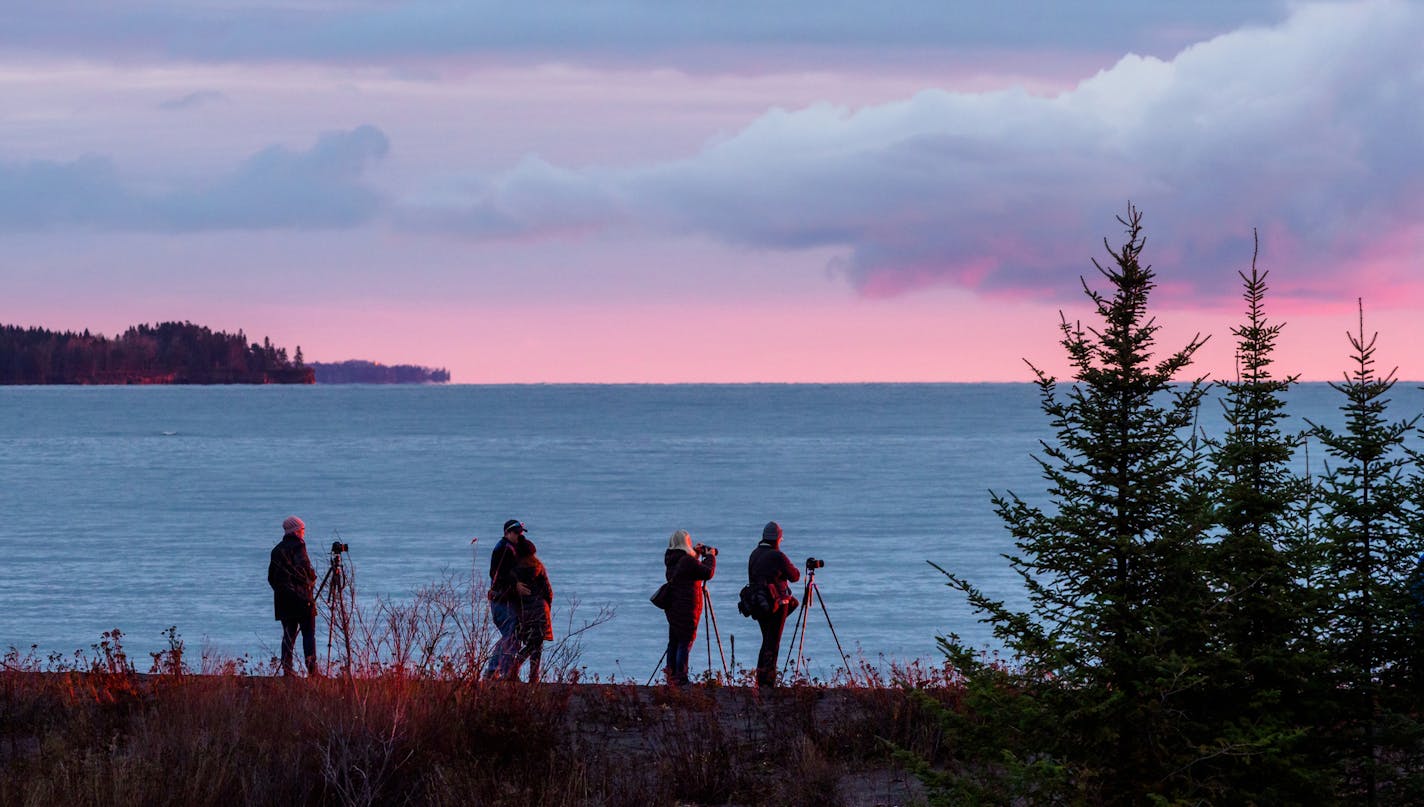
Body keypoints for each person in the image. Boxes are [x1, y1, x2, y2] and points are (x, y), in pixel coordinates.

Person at [747, 520, 799, 688]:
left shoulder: (754, 553)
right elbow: (795, 576)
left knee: (767, 639)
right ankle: (767, 681)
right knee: (773, 642)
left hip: (759, 603)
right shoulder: (777, 556)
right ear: (778, 539)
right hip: (777, 603)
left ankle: (761, 679)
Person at [662, 529, 717, 686]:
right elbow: (707, 573)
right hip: (687, 606)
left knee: (674, 640)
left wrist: (697, 555)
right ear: (686, 543)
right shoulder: (686, 561)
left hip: (673, 606)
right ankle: (681, 677)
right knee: (685, 641)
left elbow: (690, 571)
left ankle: (671, 676)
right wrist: (711, 556)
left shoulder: (673, 559)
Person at [268, 515, 319, 677]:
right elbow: (305, 571)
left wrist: (282, 592)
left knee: (288, 636)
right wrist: (311, 580)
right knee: (308, 635)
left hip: (283, 601)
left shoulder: (276, 550)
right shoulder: (298, 546)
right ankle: (312, 671)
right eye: (302, 530)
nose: (304, 533)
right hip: (302, 599)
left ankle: (287, 670)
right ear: (297, 531)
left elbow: (271, 577)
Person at [486, 519, 533, 679]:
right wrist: (515, 585)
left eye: (520, 533)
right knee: (511, 635)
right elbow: (497, 574)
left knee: (510, 636)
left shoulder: (509, 548)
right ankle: (499, 671)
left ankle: (498, 670)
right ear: (507, 533)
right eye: (516, 533)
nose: (519, 536)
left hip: (502, 599)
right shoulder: (505, 549)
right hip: (501, 600)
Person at [510, 538, 554, 681]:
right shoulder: (539, 567)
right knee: (537, 644)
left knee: (530, 643)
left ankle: (514, 669)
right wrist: (548, 608)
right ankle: (532, 675)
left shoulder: (514, 570)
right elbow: (548, 591)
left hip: (523, 611)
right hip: (541, 609)